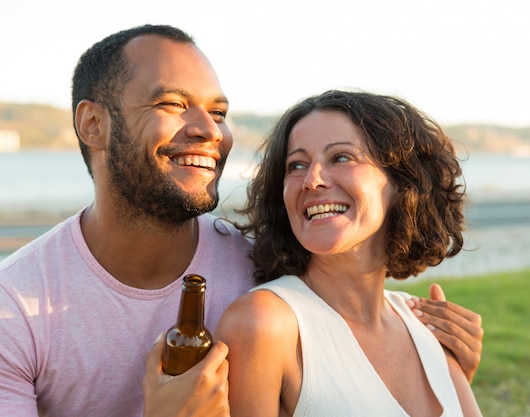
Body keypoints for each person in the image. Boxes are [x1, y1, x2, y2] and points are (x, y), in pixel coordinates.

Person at [0, 25, 481, 417]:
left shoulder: (265, 266)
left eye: (218, 112)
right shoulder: (14, 311)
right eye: (171, 103)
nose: (209, 130)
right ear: (92, 125)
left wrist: (438, 367)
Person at [215, 90, 482, 416]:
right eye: (296, 165)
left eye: (340, 157)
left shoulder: (426, 326)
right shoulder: (265, 324)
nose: (311, 180)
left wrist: (457, 373)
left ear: (401, 183)